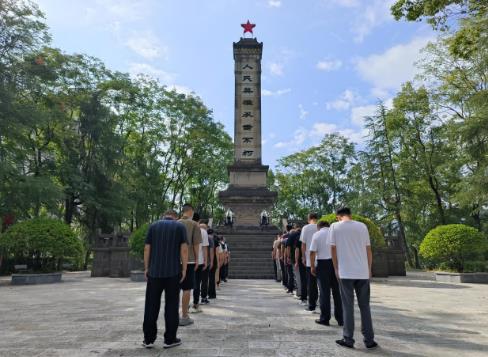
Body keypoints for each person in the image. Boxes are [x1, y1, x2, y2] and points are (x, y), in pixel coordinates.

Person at [330, 207, 378, 350]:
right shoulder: (362, 226)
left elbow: (333, 249)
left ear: (338, 216)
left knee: (348, 307)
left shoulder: (335, 226)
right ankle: (369, 340)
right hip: (362, 272)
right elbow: (368, 249)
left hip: (345, 272)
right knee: (365, 307)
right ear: (350, 215)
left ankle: (348, 339)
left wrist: (336, 268)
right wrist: (369, 268)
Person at [142, 209, 188, 349]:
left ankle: (148, 339)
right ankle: (170, 339)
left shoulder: (153, 226)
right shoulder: (180, 226)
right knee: (172, 306)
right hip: (173, 272)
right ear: (175, 217)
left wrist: (146, 267)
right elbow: (184, 249)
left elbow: (147, 248)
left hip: (155, 272)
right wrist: (184, 268)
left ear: (165, 215)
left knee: (151, 305)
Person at [310, 220, 343, 327]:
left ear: (319, 227)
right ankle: (341, 319)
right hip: (336, 263)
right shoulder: (335, 233)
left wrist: (312, 266)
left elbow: (312, 252)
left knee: (324, 293)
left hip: (323, 264)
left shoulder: (317, 234)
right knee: (337, 292)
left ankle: (325, 318)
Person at [178, 204, 202, 326]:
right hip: (189, 260)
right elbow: (196, 244)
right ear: (191, 211)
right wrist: (198, 259)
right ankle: (184, 315)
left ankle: (173, 315)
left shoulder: (175, 223)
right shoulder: (194, 224)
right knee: (187, 289)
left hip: (176, 260)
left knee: (175, 288)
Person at [300, 213, 319, 312]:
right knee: (321, 284)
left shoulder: (305, 228)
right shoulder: (320, 227)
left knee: (311, 284)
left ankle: (312, 304)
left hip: (309, 259)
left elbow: (303, 244)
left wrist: (303, 256)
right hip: (321, 259)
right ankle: (319, 301)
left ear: (309, 219)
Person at [191, 218, 209, 313]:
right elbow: (205, 248)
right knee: (197, 283)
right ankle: (195, 303)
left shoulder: (183, 227)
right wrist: (206, 261)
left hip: (185, 260)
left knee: (183, 283)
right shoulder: (203, 231)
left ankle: (183, 304)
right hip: (199, 260)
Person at [201, 227, 214, 304]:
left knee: (197, 281)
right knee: (204, 281)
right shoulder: (209, 238)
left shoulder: (193, 234)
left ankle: (197, 298)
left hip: (195, 261)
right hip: (205, 262)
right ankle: (203, 297)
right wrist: (211, 261)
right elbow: (211, 251)